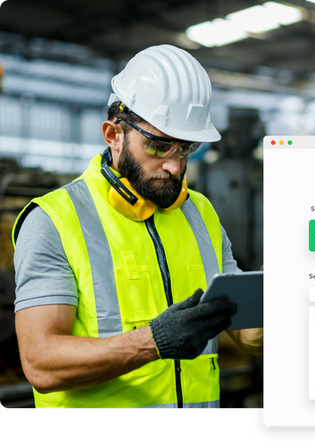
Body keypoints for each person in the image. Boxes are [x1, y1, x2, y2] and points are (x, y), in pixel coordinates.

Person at [11, 44, 263, 410]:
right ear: (113, 135)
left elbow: (246, 331)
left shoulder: (201, 213)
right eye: (159, 147)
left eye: (185, 148)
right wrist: (153, 341)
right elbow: (40, 362)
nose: (175, 166)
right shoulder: (54, 220)